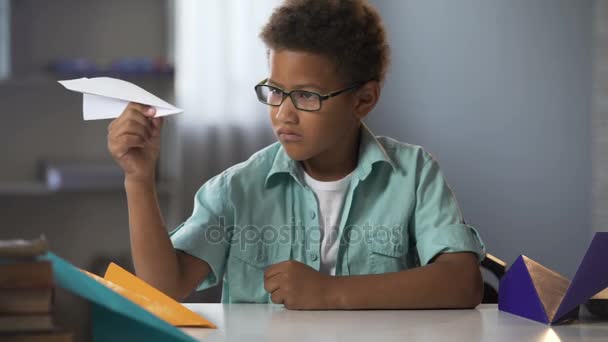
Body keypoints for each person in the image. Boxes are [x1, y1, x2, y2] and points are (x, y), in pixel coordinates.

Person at [107, 0, 485, 310]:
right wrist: (138, 179)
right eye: (275, 91)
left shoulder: (414, 175)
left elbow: (462, 282)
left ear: (364, 99)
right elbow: (163, 288)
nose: (283, 113)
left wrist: (329, 293)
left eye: (307, 96)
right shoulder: (238, 188)